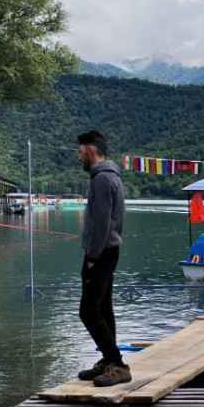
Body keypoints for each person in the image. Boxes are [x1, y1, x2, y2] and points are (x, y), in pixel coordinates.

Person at [76, 129, 129, 387]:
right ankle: (110, 362)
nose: (79, 157)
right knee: (103, 309)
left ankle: (117, 364)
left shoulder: (102, 180)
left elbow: (101, 224)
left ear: (91, 151)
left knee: (87, 311)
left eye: (81, 152)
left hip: (101, 252)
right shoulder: (109, 177)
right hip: (108, 251)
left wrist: (93, 256)